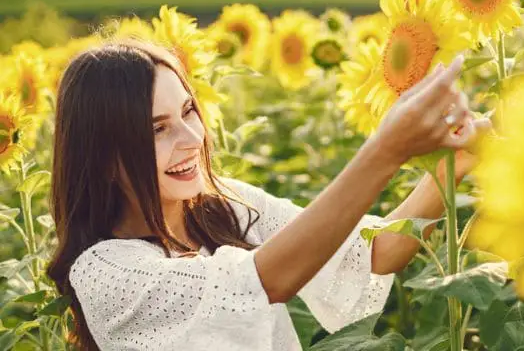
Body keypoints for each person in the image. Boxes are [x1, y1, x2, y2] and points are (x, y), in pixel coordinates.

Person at [46, 40, 486, 350]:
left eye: (188, 112)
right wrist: (386, 149)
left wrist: (454, 163)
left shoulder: (223, 205)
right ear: (103, 159)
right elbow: (258, 283)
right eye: (157, 129)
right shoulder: (105, 273)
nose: (191, 138)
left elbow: (373, 251)